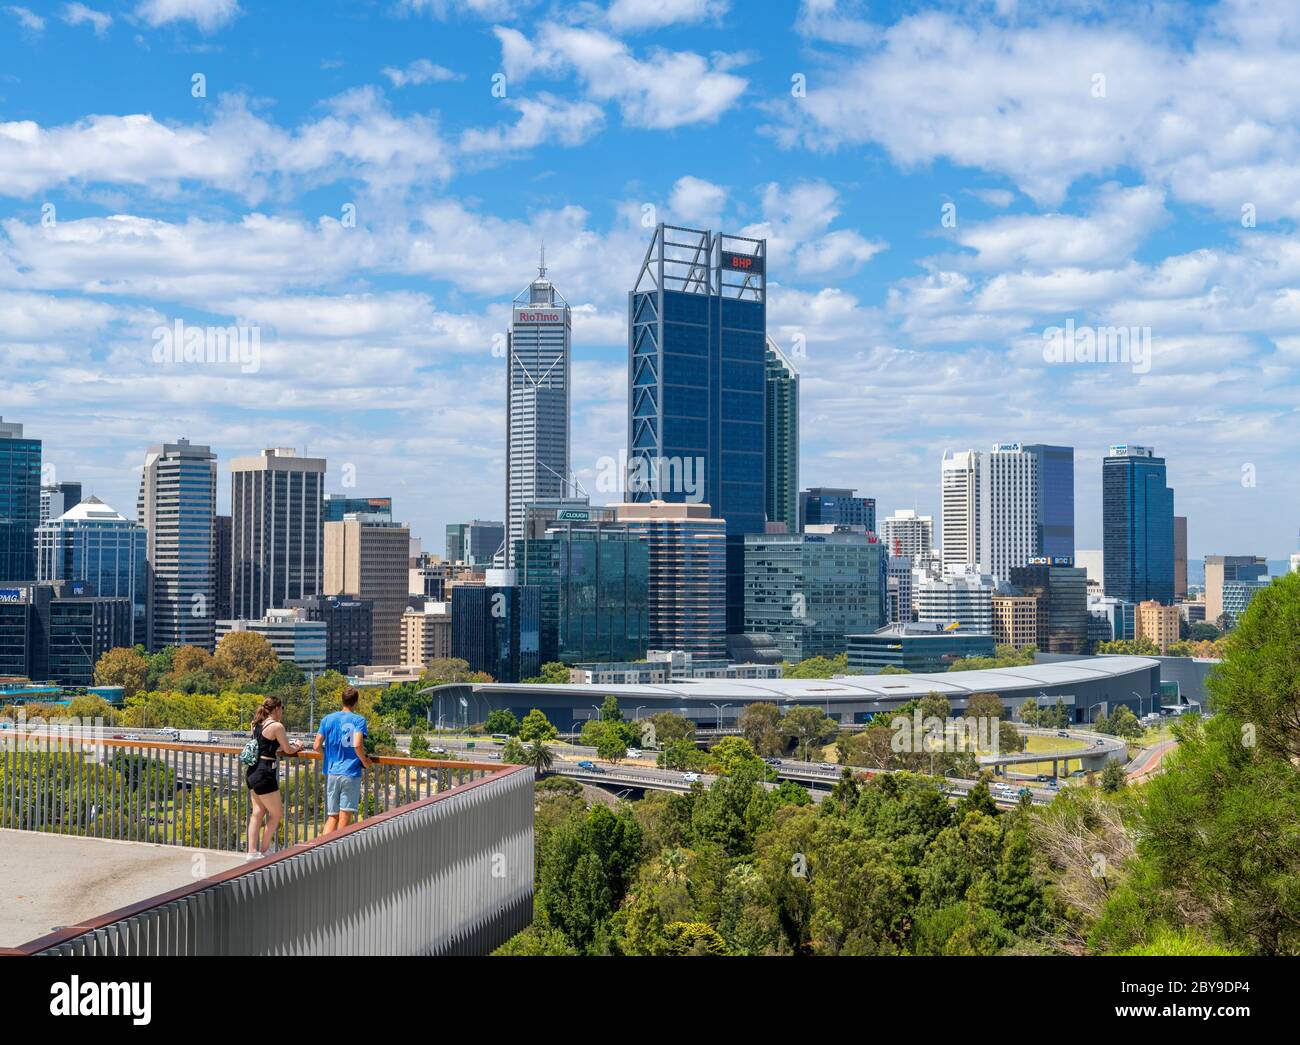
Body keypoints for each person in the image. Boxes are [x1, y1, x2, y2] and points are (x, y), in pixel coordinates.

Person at [245, 696, 306, 859]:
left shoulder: (256, 724)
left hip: (252, 771)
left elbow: (264, 745)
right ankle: (264, 850)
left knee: (257, 812)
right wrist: (298, 746)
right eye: (282, 709)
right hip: (265, 772)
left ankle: (252, 851)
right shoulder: (277, 726)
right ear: (277, 708)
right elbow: (288, 749)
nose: (282, 713)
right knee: (277, 813)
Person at [315, 686, 372, 835]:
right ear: (356, 702)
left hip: (332, 772)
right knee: (345, 815)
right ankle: (337, 851)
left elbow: (316, 746)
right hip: (350, 772)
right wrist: (365, 761)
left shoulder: (327, 719)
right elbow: (357, 744)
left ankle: (322, 850)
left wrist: (328, 757)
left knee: (332, 816)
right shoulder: (359, 720)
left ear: (342, 700)